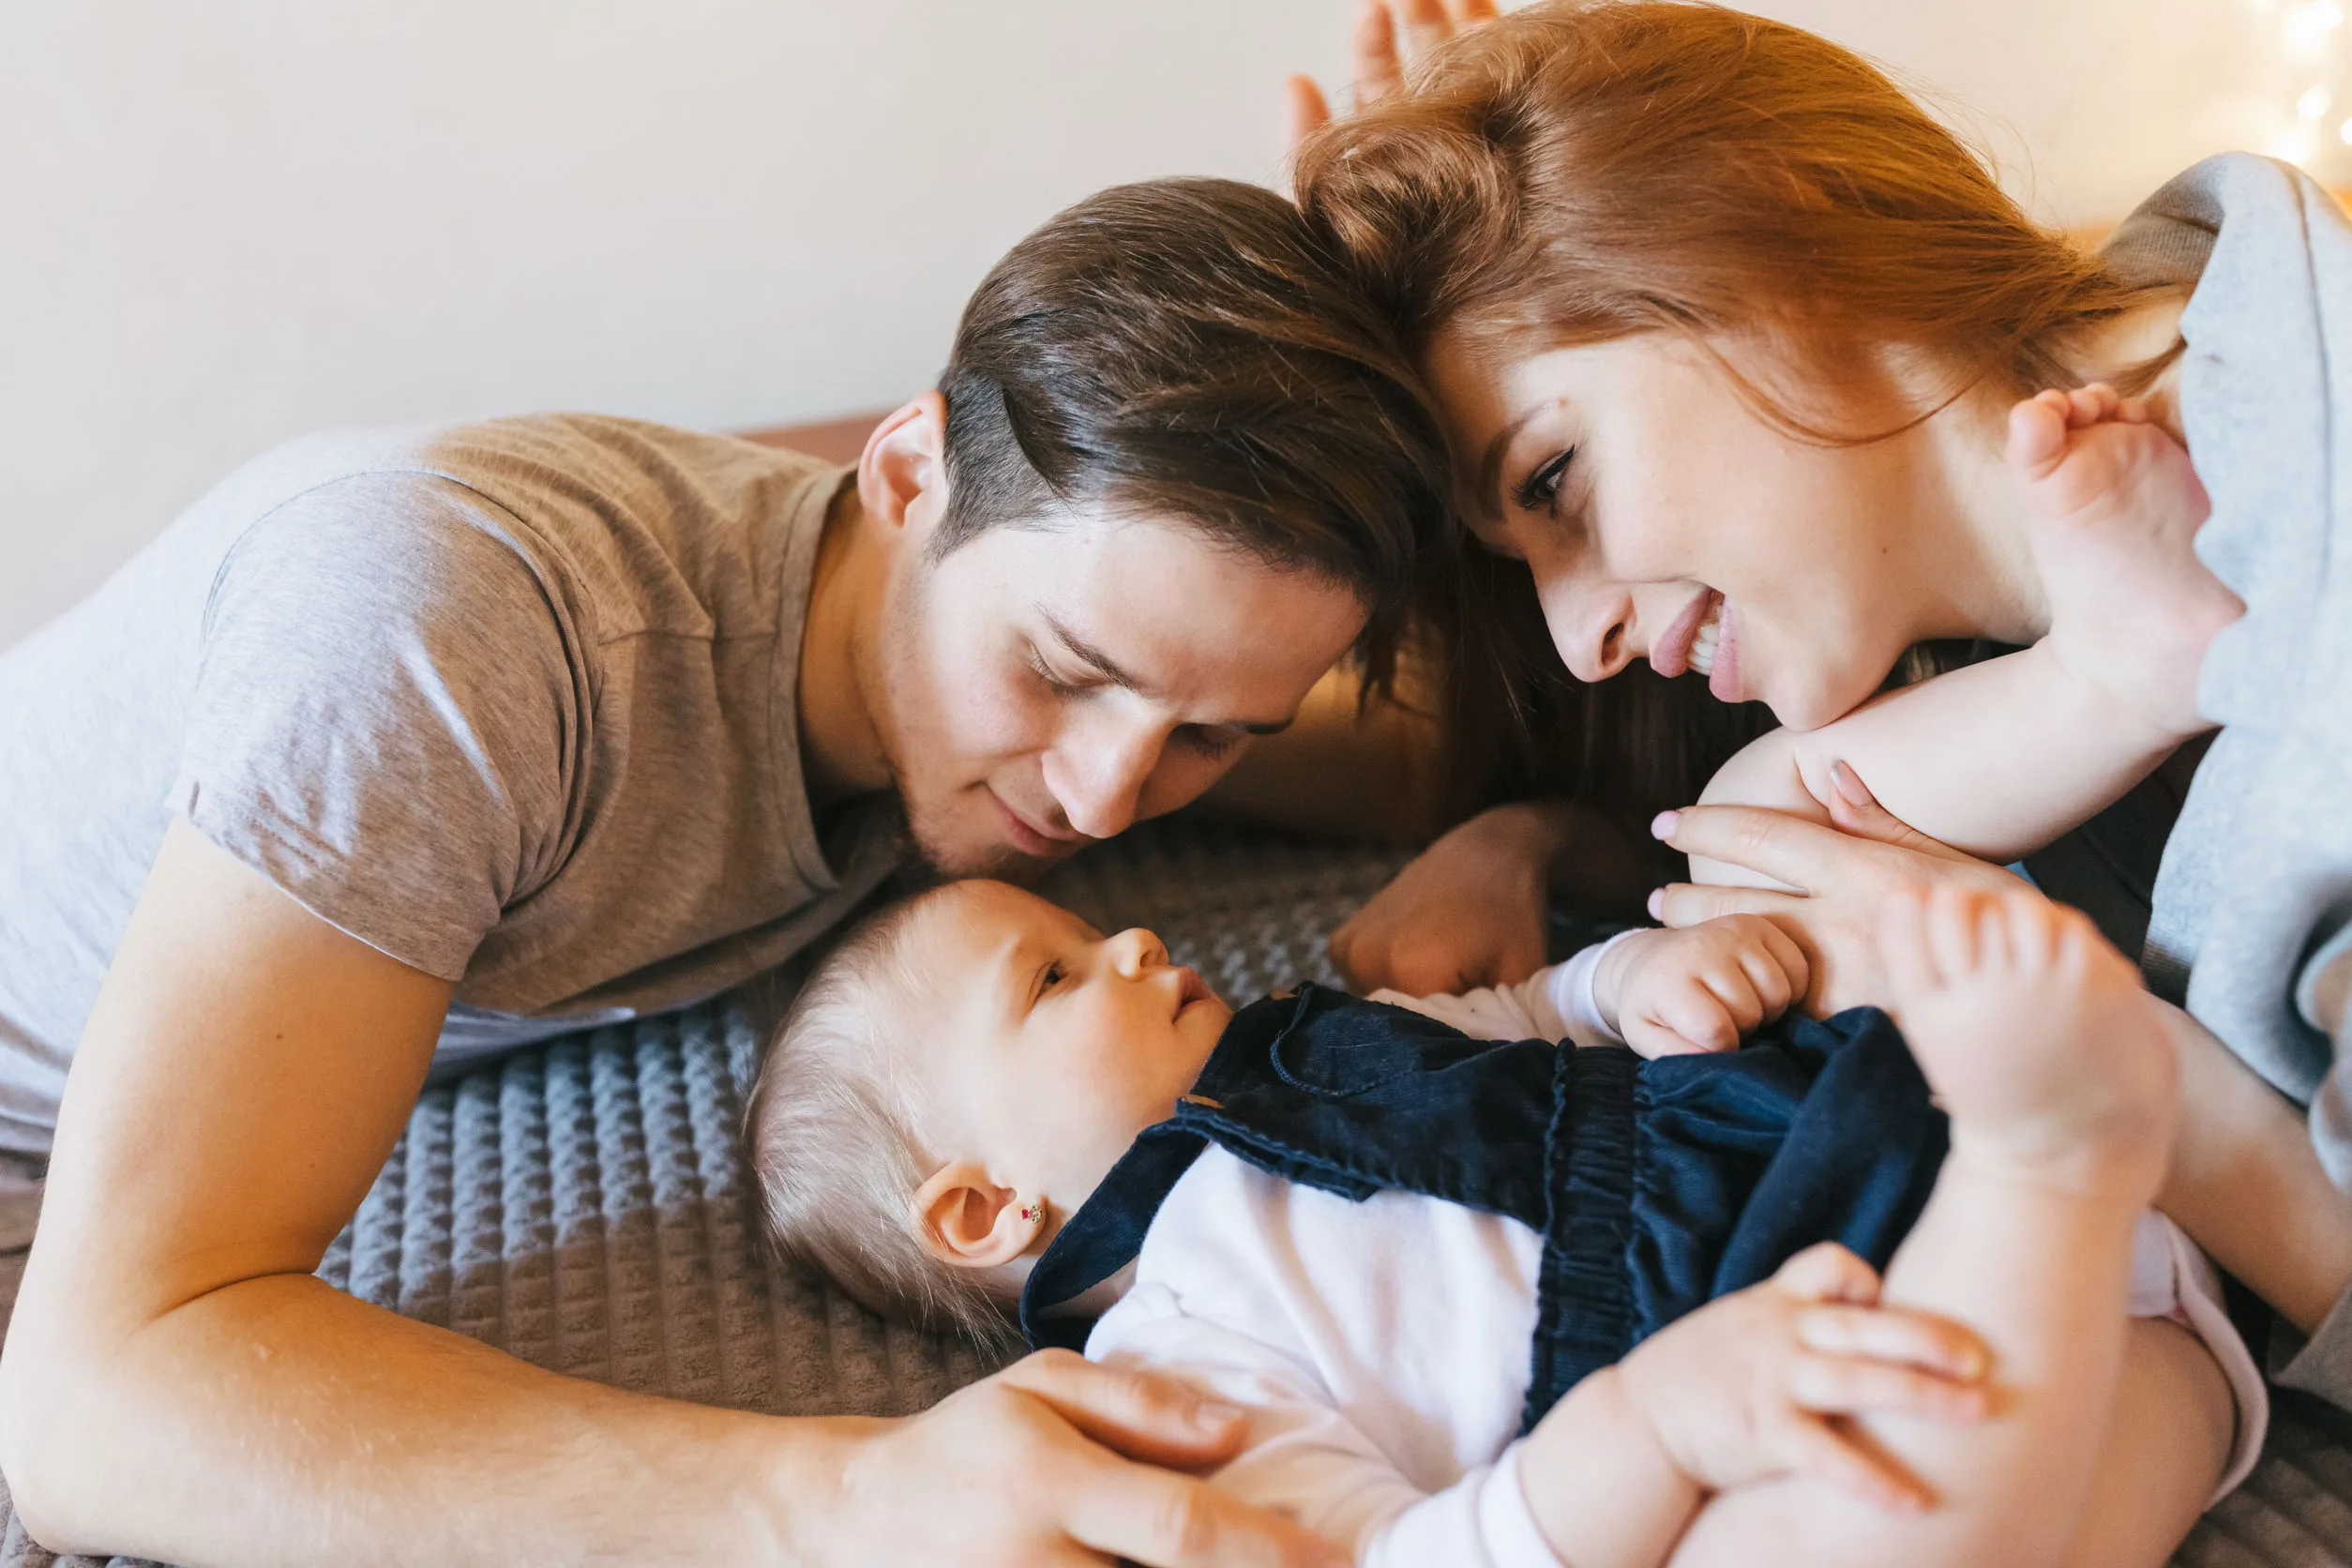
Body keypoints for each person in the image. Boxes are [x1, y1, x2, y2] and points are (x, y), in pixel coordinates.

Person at [0, 177, 1455, 1567]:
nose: (1104, 800)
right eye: (1062, 672)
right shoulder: (441, 639)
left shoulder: (1009, 606)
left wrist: (1528, 838)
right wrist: (833, 1505)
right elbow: (92, 1405)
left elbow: (1418, 747)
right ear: (907, 475)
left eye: (1209, 739)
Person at [1288, 0, 2352, 1410]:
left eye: (1553, 479)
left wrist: (2110, 1064)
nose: (1580, 644)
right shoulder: (1960, 677)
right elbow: (1702, 833)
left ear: (1747, 223)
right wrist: (1522, 838)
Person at [746, 872, 2260, 1567]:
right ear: (982, 1207)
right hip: (1778, 1409)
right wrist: (1654, 1430)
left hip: (1842, 1171)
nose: (1134, 937)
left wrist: (1627, 983)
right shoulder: (1178, 1363)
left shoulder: (1318, 1043)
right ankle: (2056, 1165)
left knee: (1996, 1463)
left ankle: (2056, 1162)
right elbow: (1399, 1555)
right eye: (1056, 977)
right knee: (1926, 1518)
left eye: (1089, 930)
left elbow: (1521, 1015)